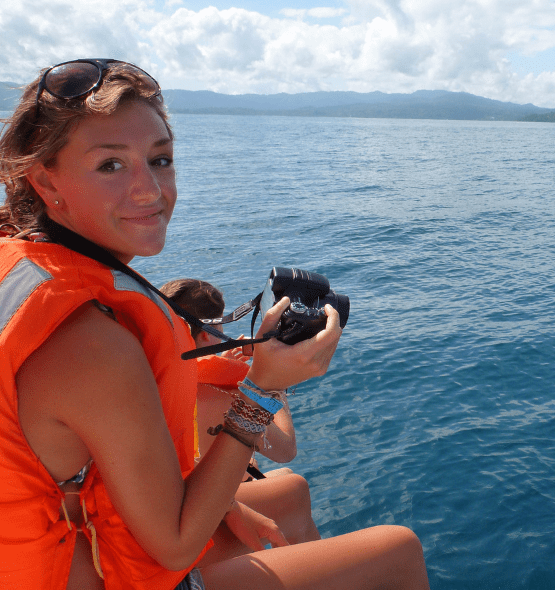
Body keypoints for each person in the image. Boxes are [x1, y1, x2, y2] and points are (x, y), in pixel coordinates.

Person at [0, 59, 429, 590]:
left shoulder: (25, 263)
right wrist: (264, 389)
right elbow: (176, 542)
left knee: (288, 492)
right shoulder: (91, 345)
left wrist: (224, 503)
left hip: (80, 531)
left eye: (160, 160)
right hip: (107, 571)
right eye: (110, 165)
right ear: (44, 180)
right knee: (398, 551)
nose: (149, 190)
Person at [161, 278, 320, 544]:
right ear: (205, 333)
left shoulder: (161, 380)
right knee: (295, 487)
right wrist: (267, 380)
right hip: (211, 503)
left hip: (183, 497)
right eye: (222, 323)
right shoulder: (226, 392)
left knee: (284, 479)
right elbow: (285, 451)